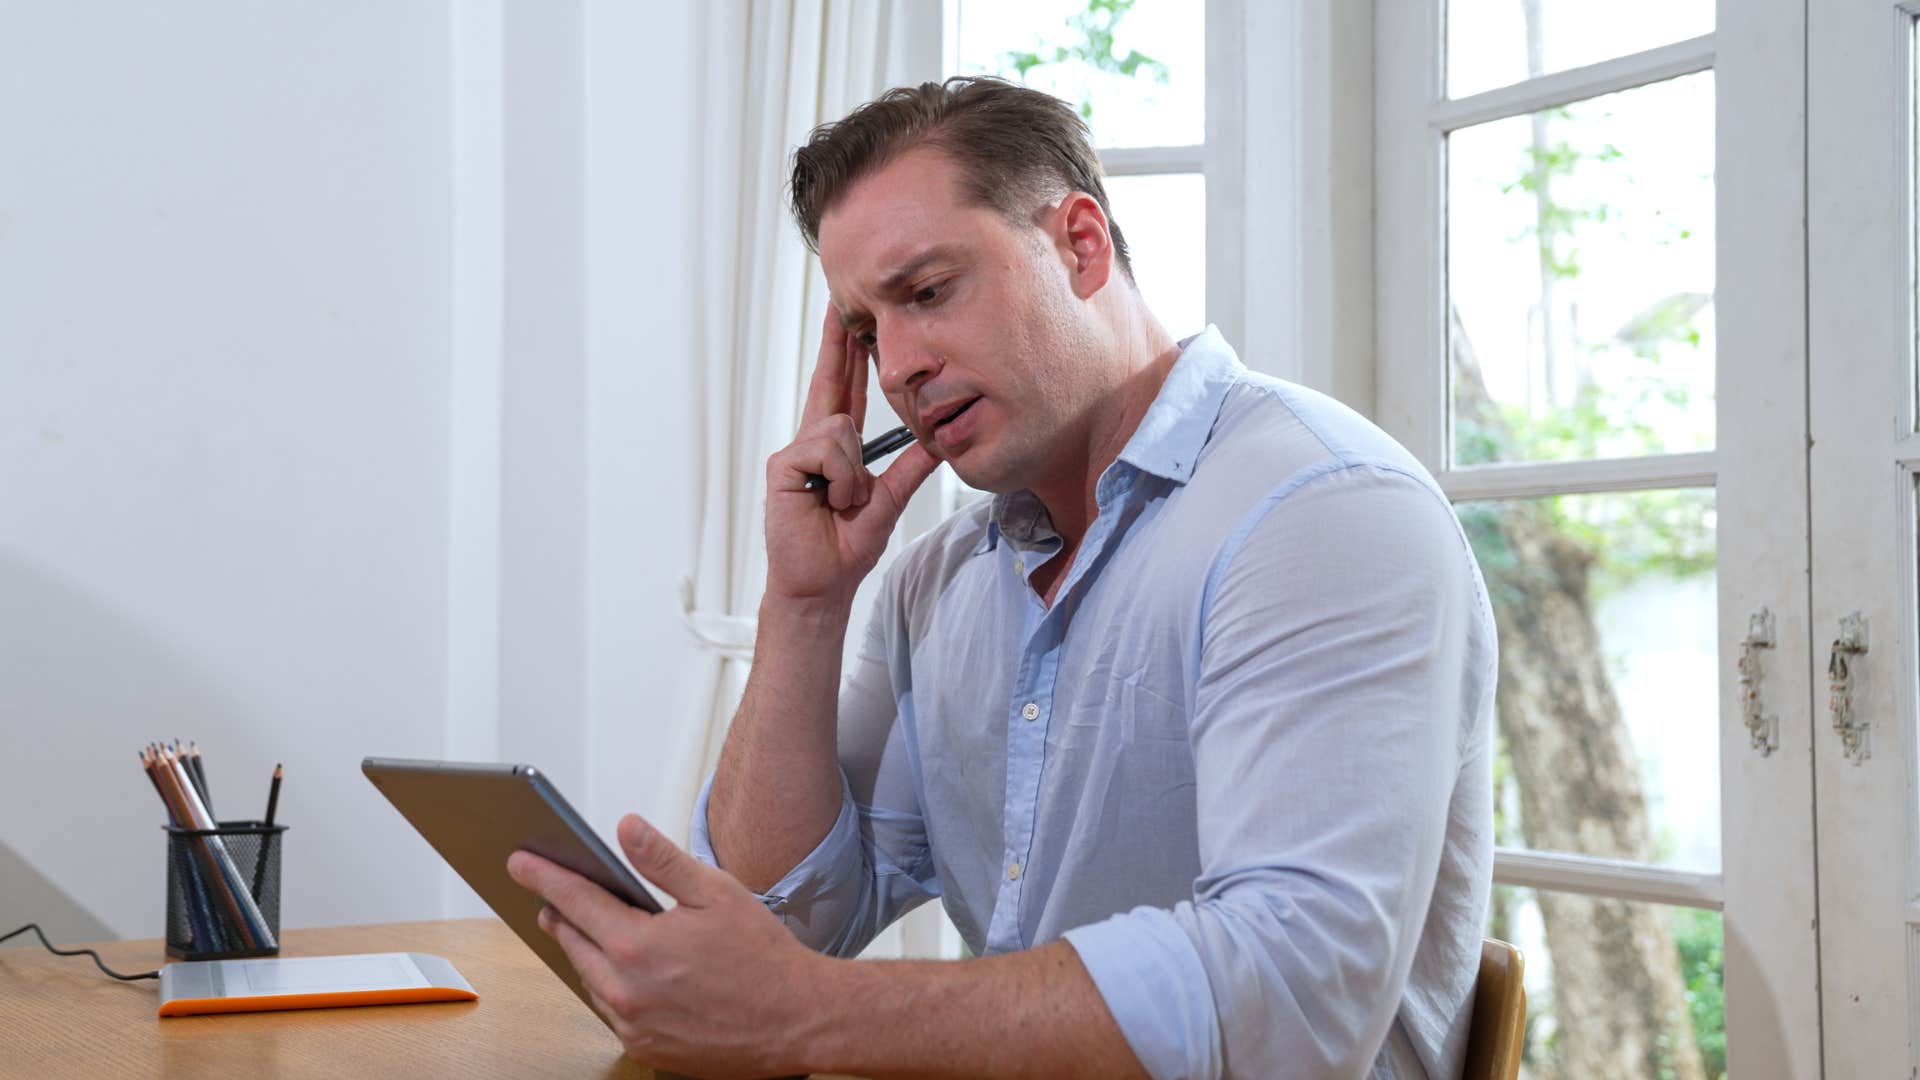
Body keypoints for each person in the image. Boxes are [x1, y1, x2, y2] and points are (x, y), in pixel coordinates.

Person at [507, 76, 1497, 1079]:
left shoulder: (1320, 511)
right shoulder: (937, 582)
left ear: (1081, 245)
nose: (896, 367)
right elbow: (788, 921)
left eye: (926, 293)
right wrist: (805, 607)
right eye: (864, 331)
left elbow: (1295, 996)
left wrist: (808, 1012)